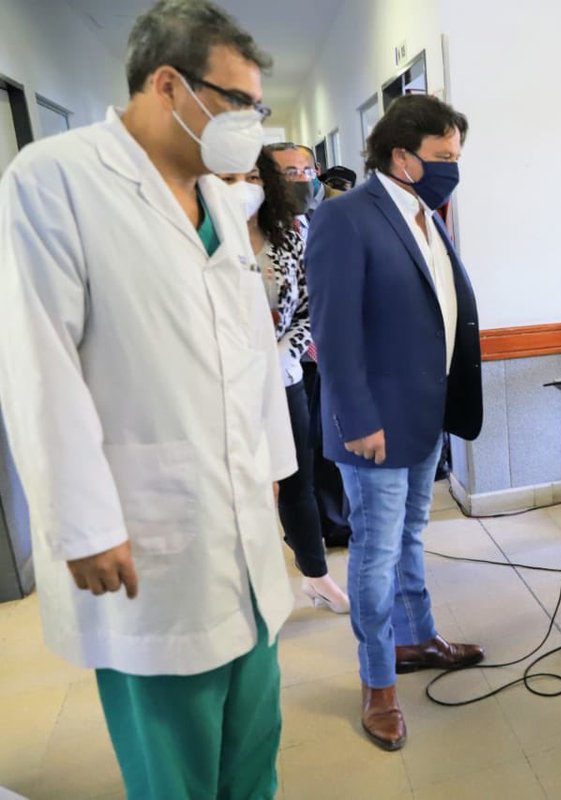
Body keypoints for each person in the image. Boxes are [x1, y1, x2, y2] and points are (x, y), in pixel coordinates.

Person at [0, 2, 295, 796]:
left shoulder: (223, 207)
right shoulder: (54, 179)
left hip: (240, 527)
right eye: (238, 103)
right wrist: (83, 523)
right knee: (177, 768)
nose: (251, 126)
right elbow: (37, 362)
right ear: (170, 84)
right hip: (143, 538)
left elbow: (254, 350)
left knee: (252, 751)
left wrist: (270, 463)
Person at [306, 94, 484, 751]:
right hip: (373, 426)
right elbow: (333, 328)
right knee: (375, 553)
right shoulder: (347, 218)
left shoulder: (425, 216)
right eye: (443, 157)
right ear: (402, 155)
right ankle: (377, 681)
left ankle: (415, 638)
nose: (452, 169)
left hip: (421, 415)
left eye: (457, 158)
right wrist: (355, 419)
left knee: (411, 534)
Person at [219, 152, 351, 613]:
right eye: (228, 178)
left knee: (297, 479)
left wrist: (284, 356)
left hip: (283, 377)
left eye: (253, 176)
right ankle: (245, 587)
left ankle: (316, 576)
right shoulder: (204, 241)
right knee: (240, 486)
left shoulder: (288, 235)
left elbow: (308, 308)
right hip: (222, 385)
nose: (242, 187)